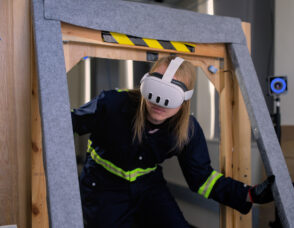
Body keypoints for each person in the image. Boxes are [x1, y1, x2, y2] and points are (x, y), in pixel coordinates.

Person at [71, 56, 274, 228]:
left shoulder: (187, 129)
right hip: (103, 184)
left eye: (170, 94)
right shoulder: (112, 104)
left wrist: (250, 194)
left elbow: (202, 178)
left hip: (148, 186)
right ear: (145, 84)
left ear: (185, 98)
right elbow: (64, 124)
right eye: (156, 88)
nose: (160, 101)